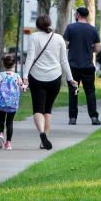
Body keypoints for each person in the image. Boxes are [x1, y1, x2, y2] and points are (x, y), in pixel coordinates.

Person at [23, 14, 77, 150]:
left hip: (37, 77)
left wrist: (24, 75)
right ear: (49, 23)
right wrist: (70, 79)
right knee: (48, 110)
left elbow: (30, 57)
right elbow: (64, 60)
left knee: (38, 109)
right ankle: (44, 141)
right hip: (55, 78)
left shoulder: (34, 37)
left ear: (37, 25)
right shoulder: (58, 38)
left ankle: (42, 133)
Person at [63, 6, 101, 126]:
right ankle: (94, 117)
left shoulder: (70, 28)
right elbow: (98, 48)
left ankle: (73, 118)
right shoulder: (93, 30)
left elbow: (65, 44)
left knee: (74, 92)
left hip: (73, 66)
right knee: (90, 92)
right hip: (88, 66)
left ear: (78, 15)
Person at [0, 54, 26, 150]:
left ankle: (1, 134)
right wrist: (26, 85)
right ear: (14, 65)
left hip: (1, 102)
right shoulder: (17, 76)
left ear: (3, 64)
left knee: (1, 119)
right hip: (12, 103)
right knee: (10, 123)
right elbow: (23, 88)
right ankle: (8, 143)